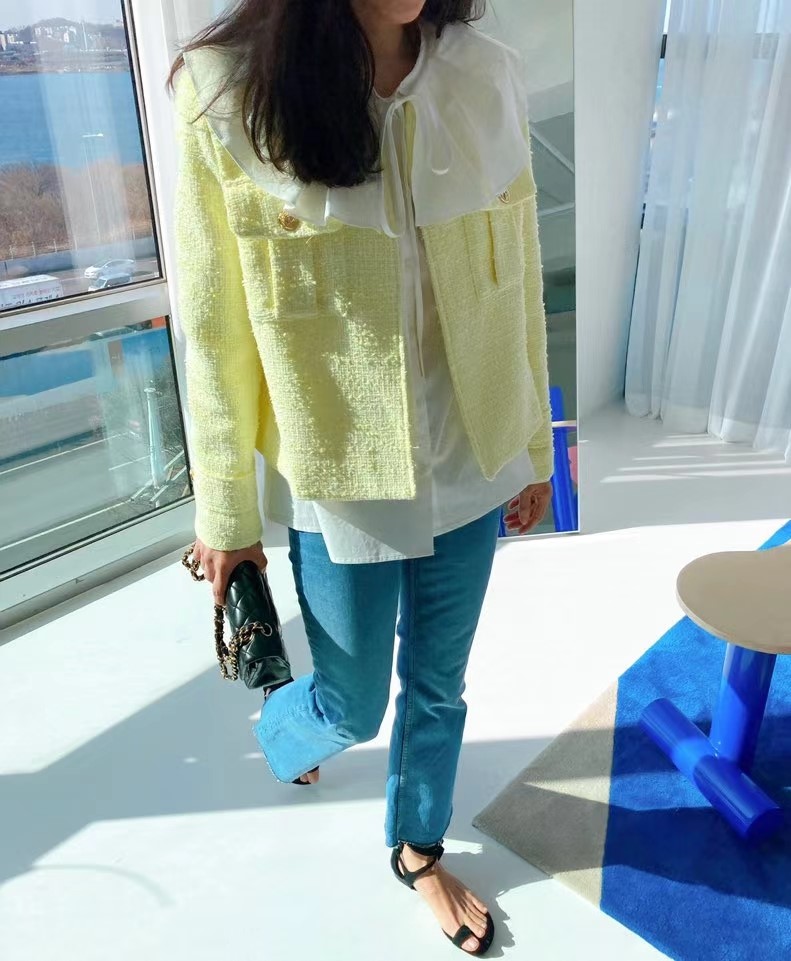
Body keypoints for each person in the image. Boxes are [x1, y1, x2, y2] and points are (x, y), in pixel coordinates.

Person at [169, 0, 553, 954]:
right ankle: (283, 728)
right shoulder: (225, 95)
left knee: (439, 682)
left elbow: (519, 278)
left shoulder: (483, 73)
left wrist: (532, 448)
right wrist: (226, 517)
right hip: (339, 466)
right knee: (348, 700)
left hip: (466, 445)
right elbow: (214, 333)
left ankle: (418, 848)